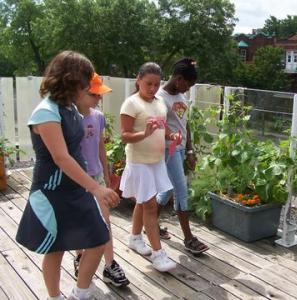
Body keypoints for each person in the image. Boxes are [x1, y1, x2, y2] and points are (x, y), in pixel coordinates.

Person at [15, 50, 120, 300]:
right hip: (53, 192)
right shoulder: (46, 111)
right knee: (56, 249)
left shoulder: (71, 107)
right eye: (85, 81)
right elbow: (61, 158)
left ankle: (80, 292)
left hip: (76, 187)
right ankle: (55, 297)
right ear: (71, 79)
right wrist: (96, 188)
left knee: (98, 237)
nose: (87, 87)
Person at [119, 62, 179, 272]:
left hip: (156, 161)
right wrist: (143, 134)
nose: (153, 88)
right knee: (150, 206)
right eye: (148, 84)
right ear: (138, 79)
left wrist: (171, 136)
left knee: (144, 203)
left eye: (156, 84)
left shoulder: (159, 103)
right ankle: (158, 254)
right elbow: (124, 136)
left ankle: (135, 238)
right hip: (139, 162)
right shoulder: (131, 104)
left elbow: (161, 128)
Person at [74, 73, 129, 287]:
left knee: (104, 222)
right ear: (79, 93)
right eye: (93, 94)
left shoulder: (97, 117)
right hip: (77, 180)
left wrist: (106, 175)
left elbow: (99, 147)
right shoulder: (70, 119)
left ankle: (109, 265)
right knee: (79, 224)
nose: (98, 99)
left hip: (97, 177)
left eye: (99, 95)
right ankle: (80, 258)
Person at [156, 58, 209, 254]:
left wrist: (190, 150)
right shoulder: (160, 99)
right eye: (187, 84)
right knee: (181, 189)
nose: (187, 89)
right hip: (168, 149)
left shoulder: (180, 96)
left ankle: (151, 225)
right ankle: (188, 238)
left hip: (180, 150)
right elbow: (158, 127)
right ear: (178, 79)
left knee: (168, 189)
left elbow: (184, 123)